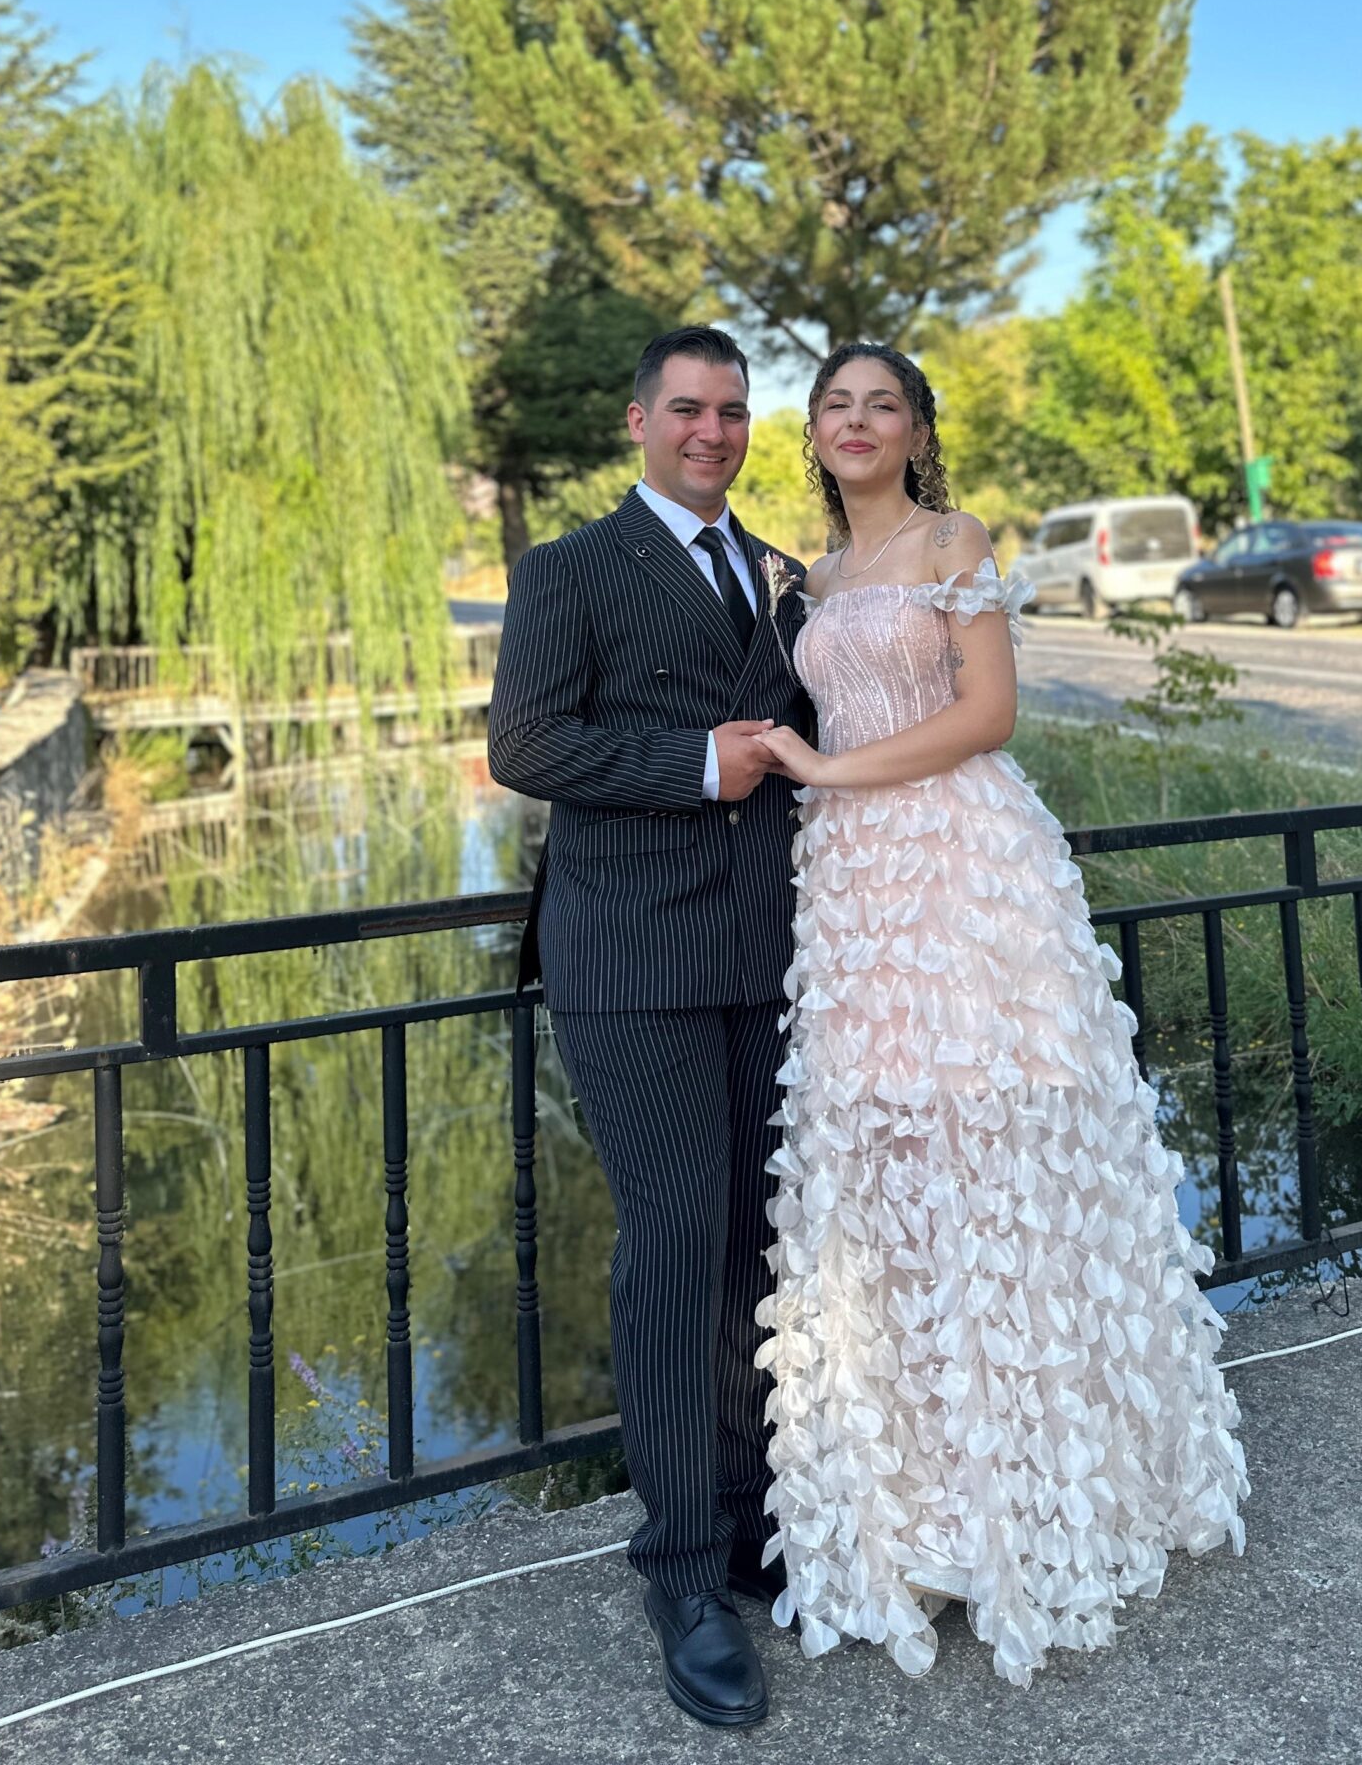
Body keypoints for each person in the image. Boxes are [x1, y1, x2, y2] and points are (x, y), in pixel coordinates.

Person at [754, 342, 1247, 1688]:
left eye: (883, 405)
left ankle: (1040, 1501)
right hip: (853, 888)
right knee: (892, 1176)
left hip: (964, 872)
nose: (858, 422)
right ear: (816, 433)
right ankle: (920, 1512)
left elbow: (990, 714)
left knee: (998, 1162)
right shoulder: (814, 578)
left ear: (918, 432)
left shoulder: (951, 540)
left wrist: (825, 768)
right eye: (836, 405)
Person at [487, 326, 810, 1731]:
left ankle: (745, 1523)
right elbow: (524, 745)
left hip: (770, 958)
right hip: (631, 962)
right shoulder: (568, 571)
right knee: (675, 1247)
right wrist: (693, 763)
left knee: (752, 1246)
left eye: (732, 412)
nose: (711, 432)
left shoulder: (780, 573)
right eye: (687, 408)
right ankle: (679, 1572)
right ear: (639, 421)